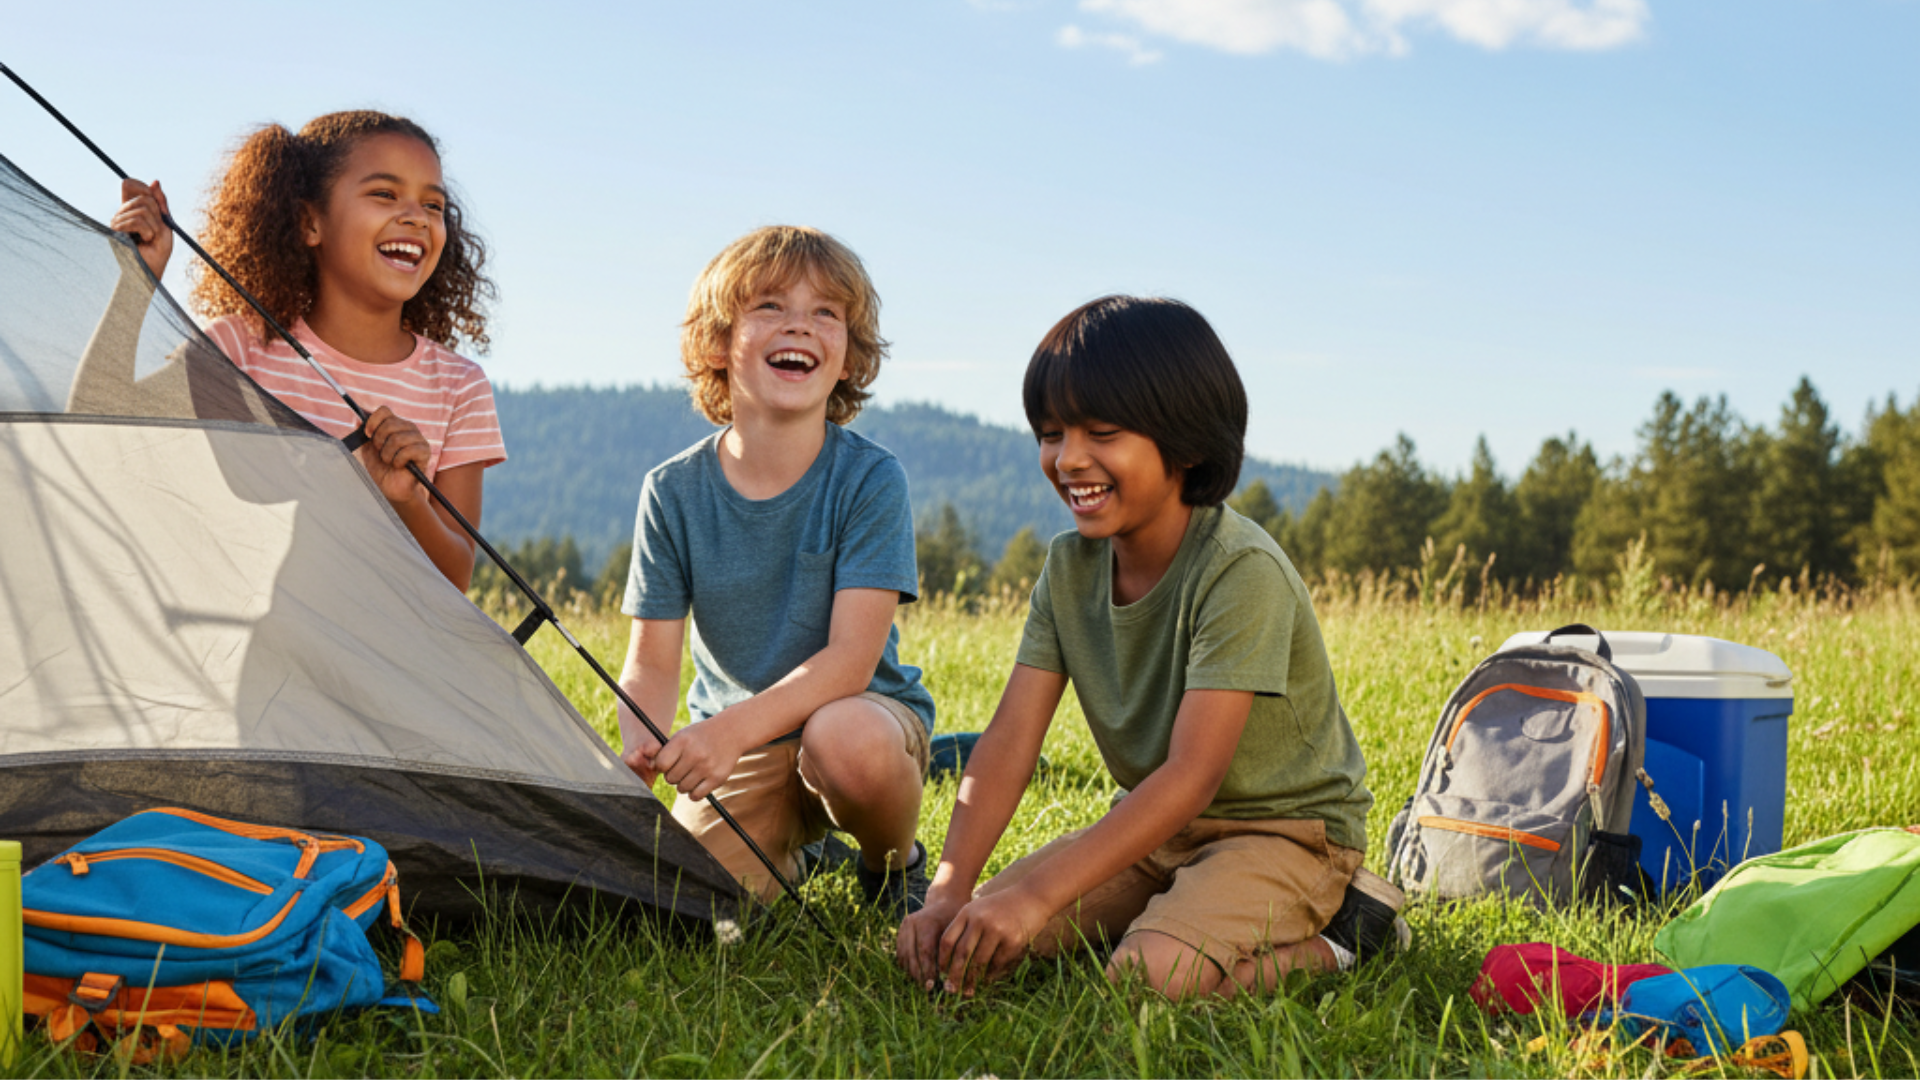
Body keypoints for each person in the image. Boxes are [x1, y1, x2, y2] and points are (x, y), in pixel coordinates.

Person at [896, 295, 1404, 1000]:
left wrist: (1037, 897)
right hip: (1160, 831)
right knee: (977, 934)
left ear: (1188, 443)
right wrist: (949, 890)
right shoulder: (1067, 570)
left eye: (1102, 432)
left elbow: (1192, 774)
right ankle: (1173, 903)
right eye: (1051, 434)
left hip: (1286, 836)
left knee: (1147, 979)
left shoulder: (1238, 570)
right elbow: (1011, 738)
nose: (1070, 459)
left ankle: (1350, 933)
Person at [616, 226, 935, 911]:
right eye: (769, 307)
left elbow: (851, 662)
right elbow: (651, 662)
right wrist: (644, 741)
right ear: (716, 343)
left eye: (826, 312)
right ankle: (800, 846)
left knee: (844, 739)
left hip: (860, 722)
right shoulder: (672, 491)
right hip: (742, 753)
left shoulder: (872, 479)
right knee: (682, 903)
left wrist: (726, 733)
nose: (800, 325)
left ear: (850, 356)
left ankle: (891, 864)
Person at [109, 111, 504, 589]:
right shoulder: (237, 349)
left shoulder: (460, 387)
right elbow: (94, 425)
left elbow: (455, 577)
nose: (416, 217)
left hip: (384, 660)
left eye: (434, 205)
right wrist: (136, 278)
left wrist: (406, 499)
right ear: (309, 222)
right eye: (384, 193)